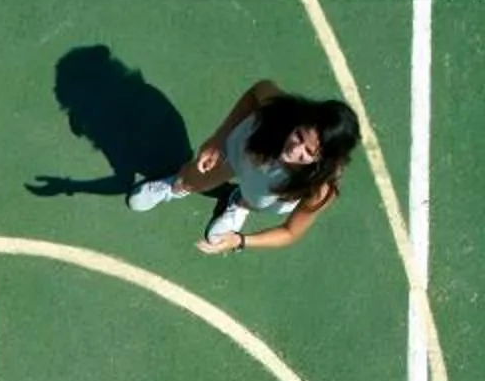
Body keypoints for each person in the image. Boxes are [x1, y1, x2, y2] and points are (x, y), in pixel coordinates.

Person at [125, 81, 361, 255]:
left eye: (309, 152)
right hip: (245, 151)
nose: (295, 149)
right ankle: (175, 187)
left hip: (268, 192)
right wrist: (218, 139)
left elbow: (290, 232)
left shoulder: (320, 187)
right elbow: (257, 91)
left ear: (324, 158)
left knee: (255, 200)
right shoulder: (283, 110)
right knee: (194, 177)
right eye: (299, 135)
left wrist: (240, 240)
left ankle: (239, 203)